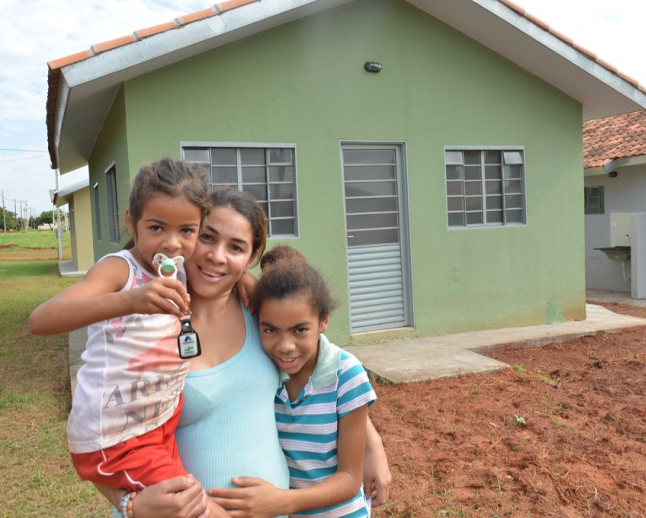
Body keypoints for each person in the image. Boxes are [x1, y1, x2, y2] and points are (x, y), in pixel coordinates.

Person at [100, 189, 391, 518]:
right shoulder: (146, 323)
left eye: (236, 247)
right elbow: (99, 431)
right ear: (188, 235)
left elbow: (325, 367)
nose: (217, 256)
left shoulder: (262, 314)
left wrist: (371, 442)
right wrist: (127, 504)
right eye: (207, 238)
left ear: (251, 257)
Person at [28, 158, 214, 517]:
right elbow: (41, 320)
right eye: (157, 227)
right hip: (116, 437)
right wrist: (129, 300)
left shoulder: (180, 268)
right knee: (192, 508)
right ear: (132, 221)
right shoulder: (119, 270)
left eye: (187, 231)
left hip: (158, 423)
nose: (173, 243)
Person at [208, 245, 375, 517]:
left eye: (300, 330)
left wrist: (283, 501)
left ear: (323, 321)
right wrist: (239, 276)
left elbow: (349, 478)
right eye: (270, 330)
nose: (285, 346)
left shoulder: (347, 375)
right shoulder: (262, 371)